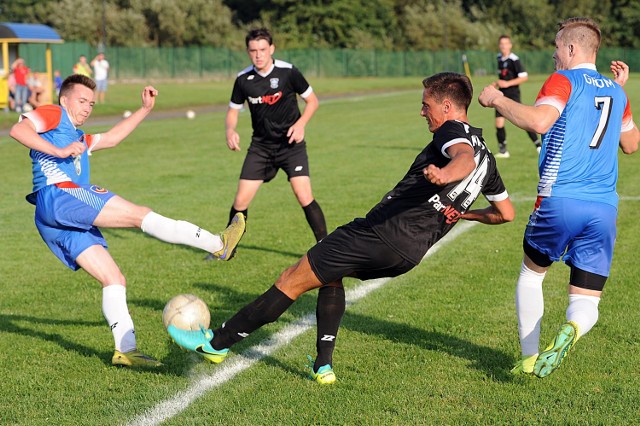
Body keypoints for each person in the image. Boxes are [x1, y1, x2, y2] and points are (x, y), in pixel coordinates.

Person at [168, 72, 515, 384]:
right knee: (329, 273)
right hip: (408, 254)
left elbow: (462, 158)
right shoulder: (489, 160)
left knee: (292, 279)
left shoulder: (452, 132)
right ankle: (323, 365)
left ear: (448, 105)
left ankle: (216, 343)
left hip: (378, 232)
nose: (422, 112)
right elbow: (506, 213)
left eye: (426, 106)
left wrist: (446, 174)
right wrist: (457, 212)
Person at [9, 74, 246, 368]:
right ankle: (218, 244)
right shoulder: (54, 113)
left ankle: (126, 350)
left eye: (91, 104)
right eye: (82, 101)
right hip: (59, 195)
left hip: (52, 217)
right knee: (139, 214)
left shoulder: (79, 137)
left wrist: (145, 109)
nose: (87, 108)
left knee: (114, 279)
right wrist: (59, 151)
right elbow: (18, 129)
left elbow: (113, 137)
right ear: (64, 99)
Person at [478, 17, 639, 378]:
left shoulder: (563, 79)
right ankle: (574, 328)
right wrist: (618, 92)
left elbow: (539, 122)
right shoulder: (617, 92)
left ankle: (530, 357)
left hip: (559, 198)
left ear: (571, 48)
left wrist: (497, 99)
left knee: (531, 275)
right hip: (604, 208)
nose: (553, 54)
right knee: (585, 300)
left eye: (556, 46)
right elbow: (631, 144)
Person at [217, 27, 326, 252]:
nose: (258, 54)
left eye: (263, 49)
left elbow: (313, 101)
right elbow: (232, 112)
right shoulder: (243, 79)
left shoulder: (288, 72)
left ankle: (325, 247)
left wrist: (300, 124)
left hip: (290, 145)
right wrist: (230, 130)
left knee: (303, 195)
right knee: (240, 202)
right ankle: (228, 248)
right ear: (248, 51)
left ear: (272, 49)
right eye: (253, 50)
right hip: (261, 148)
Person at [493, 35, 541, 158]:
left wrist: (507, 83)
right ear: (499, 46)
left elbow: (524, 76)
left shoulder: (514, 59)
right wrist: (496, 83)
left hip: (513, 94)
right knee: (498, 123)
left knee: (522, 120)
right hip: (501, 94)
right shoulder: (499, 58)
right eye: (501, 44)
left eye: (506, 43)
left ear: (510, 45)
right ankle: (503, 151)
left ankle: (538, 146)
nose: (503, 46)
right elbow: (503, 77)